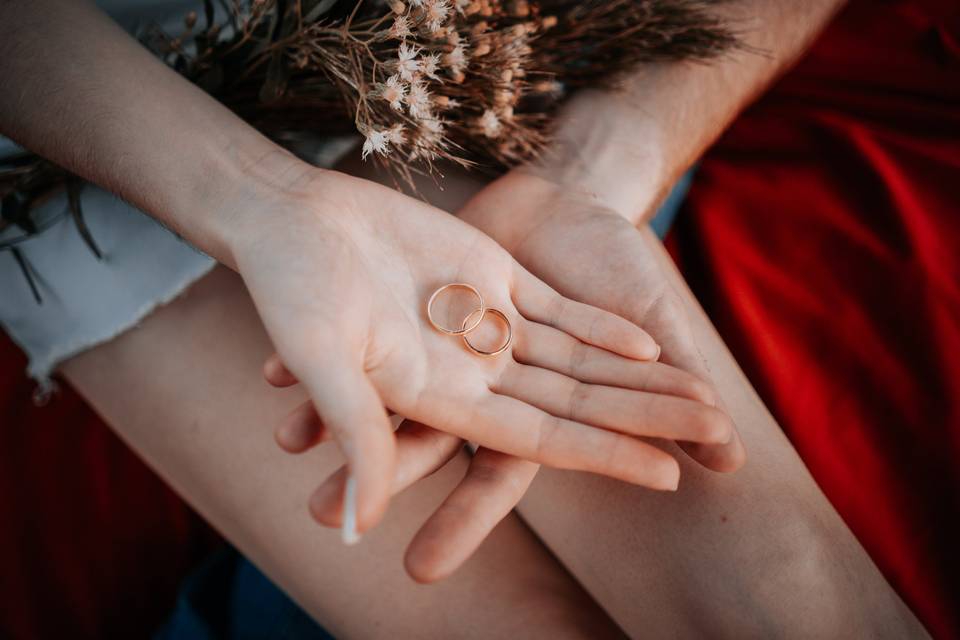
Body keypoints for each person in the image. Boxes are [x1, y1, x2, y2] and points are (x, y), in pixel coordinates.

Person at [0, 0, 930, 637]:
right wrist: (260, 197)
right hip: (81, 125)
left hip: (436, 56)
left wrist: (590, 172)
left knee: (797, 608)